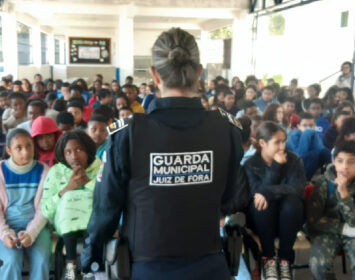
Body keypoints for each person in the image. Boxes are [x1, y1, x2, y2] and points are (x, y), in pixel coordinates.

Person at [81, 27, 250, 280]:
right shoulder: (226, 129)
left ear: (154, 75)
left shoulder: (128, 134)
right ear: (199, 73)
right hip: (209, 264)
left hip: (146, 267)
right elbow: (233, 198)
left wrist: (91, 256)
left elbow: (106, 208)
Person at [244, 121, 306, 280]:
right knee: (262, 203)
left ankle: (285, 260)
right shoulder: (251, 164)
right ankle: (268, 258)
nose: (282, 147)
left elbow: (298, 189)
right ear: (262, 142)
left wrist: (267, 191)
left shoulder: (294, 160)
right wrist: (276, 167)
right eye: (277, 142)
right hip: (262, 220)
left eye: (283, 141)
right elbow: (254, 195)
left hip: (289, 221)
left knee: (292, 201)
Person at [41, 131, 101, 280]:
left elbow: (109, 198)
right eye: (68, 152)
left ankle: (88, 263)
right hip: (65, 224)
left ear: (88, 150)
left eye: (79, 150)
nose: (74, 156)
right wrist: (66, 189)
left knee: (86, 197)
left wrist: (88, 182)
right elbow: (46, 210)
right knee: (70, 197)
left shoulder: (100, 166)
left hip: (95, 224)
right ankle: (71, 264)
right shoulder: (56, 172)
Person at [0, 128, 51, 280]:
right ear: (9, 150)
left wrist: (31, 233)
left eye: (29, 146)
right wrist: (5, 234)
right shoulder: (1, 171)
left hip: (37, 226)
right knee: (11, 261)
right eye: (19, 148)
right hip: (6, 225)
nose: (26, 152)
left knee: (42, 260)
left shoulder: (43, 170)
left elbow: (44, 209)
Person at [307, 140, 355, 279]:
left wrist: (344, 196)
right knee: (318, 264)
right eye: (340, 161)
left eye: (351, 162)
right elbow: (314, 220)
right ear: (334, 162)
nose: (345, 167)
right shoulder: (324, 182)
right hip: (327, 232)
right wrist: (343, 228)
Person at [287, 113, 331, 181]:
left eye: (311, 125)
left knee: (315, 153)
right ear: (298, 126)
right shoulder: (294, 135)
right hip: (292, 172)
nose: (308, 128)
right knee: (313, 153)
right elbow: (300, 157)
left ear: (315, 126)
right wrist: (307, 133)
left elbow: (325, 154)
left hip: (310, 172)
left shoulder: (315, 136)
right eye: (304, 125)